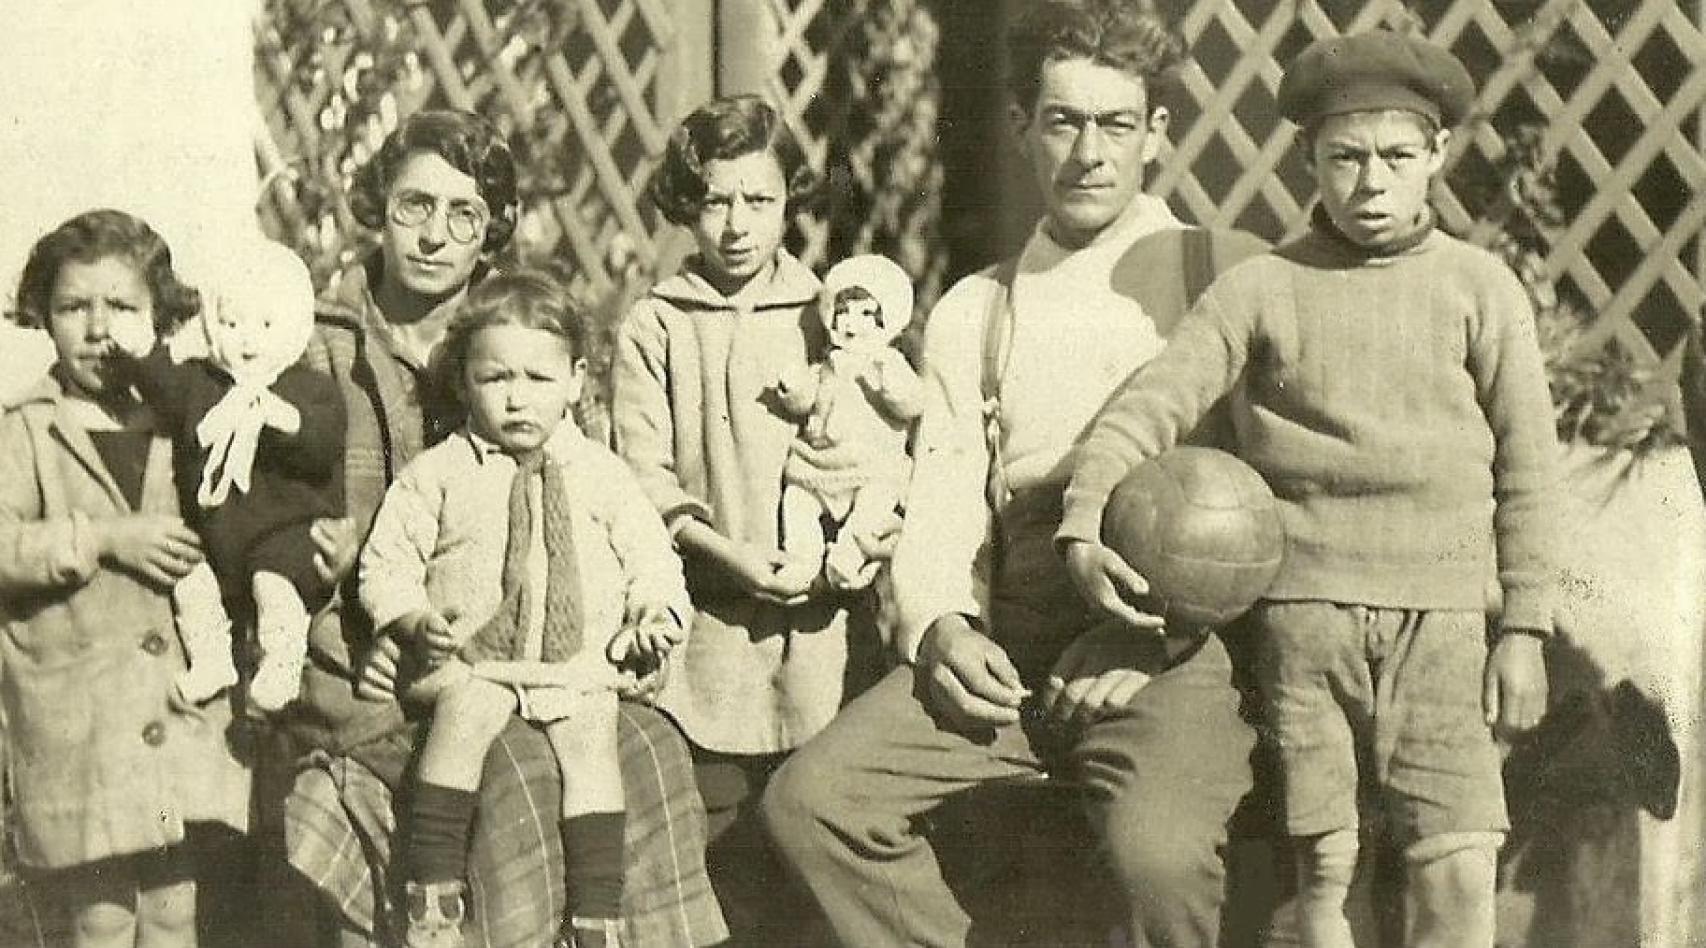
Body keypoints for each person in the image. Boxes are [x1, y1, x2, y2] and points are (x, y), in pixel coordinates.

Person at [762, 2, 1271, 945]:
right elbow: (948, 497)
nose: (1088, 152)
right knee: (815, 802)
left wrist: (1157, 641)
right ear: (1022, 129)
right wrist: (942, 627)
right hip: (1015, 642)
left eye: (1115, 124)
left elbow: (1280, 494)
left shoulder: (1226, 273)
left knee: (1156, 858)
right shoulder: (975, 307)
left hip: (1170, 645)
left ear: (1156, 135)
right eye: (1063, 121)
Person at [1055, 31, 1559, 948]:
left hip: (1440, 622)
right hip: (1303, 626)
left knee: (1456, 859)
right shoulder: (1264, 287)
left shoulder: (1481, 289)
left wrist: (1524, 628)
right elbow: (1149, 408)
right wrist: (1086, 520)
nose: (1371, 183)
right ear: (1310, 161)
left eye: (1397, 158)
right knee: (1326, 873)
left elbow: (1530, 468)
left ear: (1437, 155)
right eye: (1345, 158)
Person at [278, 108, 726, 948]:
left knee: (646, 751)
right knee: (511, 777)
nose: (435, 236)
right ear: (379, 207)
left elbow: (594, 516)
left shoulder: (514, 338)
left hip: (536, 658)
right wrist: (367, 621)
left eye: (464, 216)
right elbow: (289, 530)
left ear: (492, 233)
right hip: (367, 659)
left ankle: (603, 926)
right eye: (414, 206)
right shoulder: (320, 349)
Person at [612, 93, 884, 943]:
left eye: (759, 201)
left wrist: (861, 531)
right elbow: (639, 472)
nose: (736, 224)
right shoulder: (657, 323)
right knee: (718, 841)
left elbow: (881, 438)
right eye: (715, 201)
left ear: (789, 203)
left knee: (808, 829)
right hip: (709, 628)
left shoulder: (829, 314)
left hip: (822, 627)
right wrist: (719, 548)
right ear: (687, 206)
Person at [359, 270, 692, 948]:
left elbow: (653, 559)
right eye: (495, 379)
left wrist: (653, 617)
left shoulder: (602, 474)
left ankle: (596, 915)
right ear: (463, 383)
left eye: (539, 380)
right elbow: (384, 563)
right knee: (464, 715)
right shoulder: (439, 472)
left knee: (592, 741)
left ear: (575, 381)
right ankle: (433, 893)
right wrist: (414, 618)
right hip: (474, 663)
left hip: (573, 668)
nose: (517, 399)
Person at [0, 208, 249, 948]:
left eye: (123, 308)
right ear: (44, 315)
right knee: (101, 920)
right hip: (82, 726)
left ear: (161, 317)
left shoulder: (180, 421)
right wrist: (104, 538)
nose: (100, 329)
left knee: (174, 911)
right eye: (76, 307)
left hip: (176, 714)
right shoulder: (24, 429)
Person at [111, 237, 345, 711]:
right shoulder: (204, 383)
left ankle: (282, 660)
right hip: (218, 537)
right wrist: (143, 352)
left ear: (294, 325)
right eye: (231, 323)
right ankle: (211, 656)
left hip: (286, 534)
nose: (247, 339)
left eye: (264, 324)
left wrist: (281, 418)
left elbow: (322, 445)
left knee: (272, 583)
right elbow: (166, 390)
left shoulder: (308, 389)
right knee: (189, 579)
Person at [772, 253, 924, 591]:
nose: (851, 324)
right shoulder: (827, 363)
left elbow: (912, 402)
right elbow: (806, 398)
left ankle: (848, 556)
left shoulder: (888, 362)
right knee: (797, 501)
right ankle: (803, 558)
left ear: (887, 322)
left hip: (872, 465)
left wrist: (888, 381)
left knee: (873, 506)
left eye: (866, 314)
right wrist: (792, 387)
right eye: (843, 313)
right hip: (821, 464)